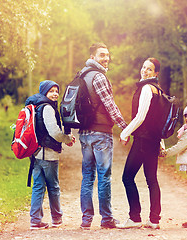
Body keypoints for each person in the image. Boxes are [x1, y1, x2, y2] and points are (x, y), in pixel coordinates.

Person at [78, 43, 128, 229]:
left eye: (107, 55)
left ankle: (86, 220)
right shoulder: (98, 76)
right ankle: (106, 219)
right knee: (104, 175)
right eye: (102, 55)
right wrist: (125, 128)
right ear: (93, 57)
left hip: (84, 133)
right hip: (100, 133)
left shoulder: (81, 75)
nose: (106, 58)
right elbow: (110, 105)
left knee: (87, 176)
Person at [118, 58, 163, 230]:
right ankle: (154, 220)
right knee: (152, 179)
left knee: (127, 177)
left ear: (156, 73)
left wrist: (124, 133)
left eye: (149, 69)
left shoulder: (146, 88)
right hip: (153, 140)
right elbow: (159, 121)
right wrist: (162, 144)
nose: (145, 71)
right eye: (144, 67)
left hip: (143, 141)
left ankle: (135, 217)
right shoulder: (158, 90)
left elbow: (140, 117)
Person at [25, 80, 75, 230]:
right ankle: (57, 218)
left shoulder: (36, 106)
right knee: (53, 186)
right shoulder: (47, 108)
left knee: (38, 186)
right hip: (48, 154)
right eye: (51, 91)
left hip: (35, 153)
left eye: (56, 91)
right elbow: (54, 132)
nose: (55, 94)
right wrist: (67, 139)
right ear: (44, 92)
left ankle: (35, 220)